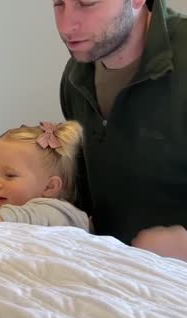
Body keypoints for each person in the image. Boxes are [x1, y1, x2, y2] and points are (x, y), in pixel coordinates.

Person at [55, 0, 187, 261]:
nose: (66, 25)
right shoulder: (74, 77)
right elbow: (85, 195)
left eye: (87, 3)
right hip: (115, 279)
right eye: (58, 3)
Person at [0, 121, 89, 231]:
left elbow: (13, 217)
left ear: (49, 187)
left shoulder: (54, 212)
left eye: (10, 175)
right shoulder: (23, 200)